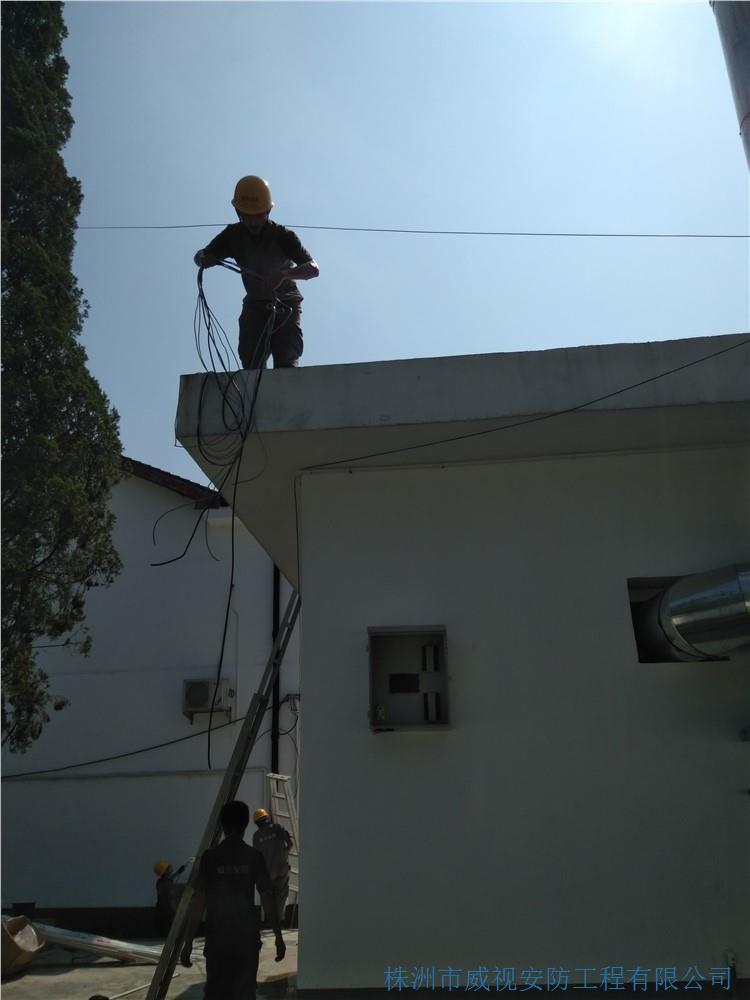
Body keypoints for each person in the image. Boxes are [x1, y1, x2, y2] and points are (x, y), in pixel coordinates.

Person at [194, 175, 319, 370]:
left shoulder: (283, 236)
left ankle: (286, 380)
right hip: (255, 303)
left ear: (268, 211)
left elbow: (313, 269)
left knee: (286, 355)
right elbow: (200, 255)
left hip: (286, 301)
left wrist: (284, 275)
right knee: (251, 360)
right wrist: (203, 258)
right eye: (246, 215)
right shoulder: (232, 235)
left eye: (258, 215)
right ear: (238, 212)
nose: (252, 221)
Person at [180, 800, 285, 1000]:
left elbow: (198, 901)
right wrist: (278, 936)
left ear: (223, 825)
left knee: (216, 992)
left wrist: (188, 942)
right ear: (245, 824)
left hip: (217, 939)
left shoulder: (210, 857)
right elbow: (267, 898)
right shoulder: (253, 856)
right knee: (245, 992)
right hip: (246, 939)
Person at [252, 807, 293, 929]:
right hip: (282, 868)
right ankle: (278, 921)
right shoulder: (277, 828)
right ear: (267, 818)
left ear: (257, 823)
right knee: (281, 895)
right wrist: (285, 852)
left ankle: (271, 922)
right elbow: (290, 843)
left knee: (268, 897)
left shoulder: (256, 836)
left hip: (268, 871)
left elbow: (257, 856)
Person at [153, 858, 189, 936]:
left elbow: (169, 879)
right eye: (168, 867)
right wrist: (187, 885)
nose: (171, 867)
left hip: (162, 908)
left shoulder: (160, 882)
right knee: (170, 928)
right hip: (167, 909)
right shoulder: (166, 884)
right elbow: (172, 892)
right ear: (165, 871)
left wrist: (178, 872)